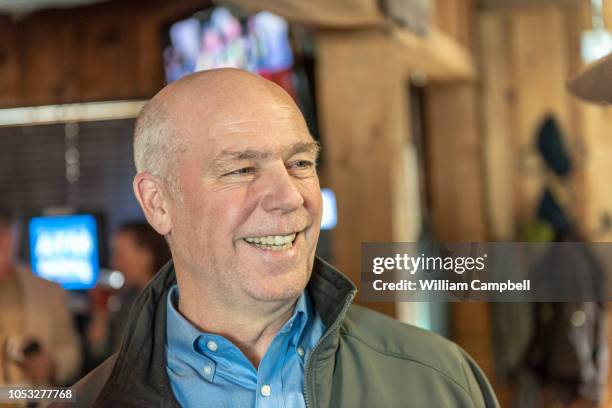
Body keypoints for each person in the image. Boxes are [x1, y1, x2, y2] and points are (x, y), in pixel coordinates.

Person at [70, 69, 499, 407]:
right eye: (241, 169)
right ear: (158, 203)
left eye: (299, 162)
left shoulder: (440, 380)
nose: (290, 196)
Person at [0, 209, 81, 386]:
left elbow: (70, 349)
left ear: (14, 234)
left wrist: (53, 364)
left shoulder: (49, 290)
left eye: (3, 231)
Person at [87, 222, 171, 361]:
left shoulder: (169, 300)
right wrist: (99, 311)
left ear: (146, 255)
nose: (115, 263)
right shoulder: (125, 298)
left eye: (120, 255)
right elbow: (99, 350)